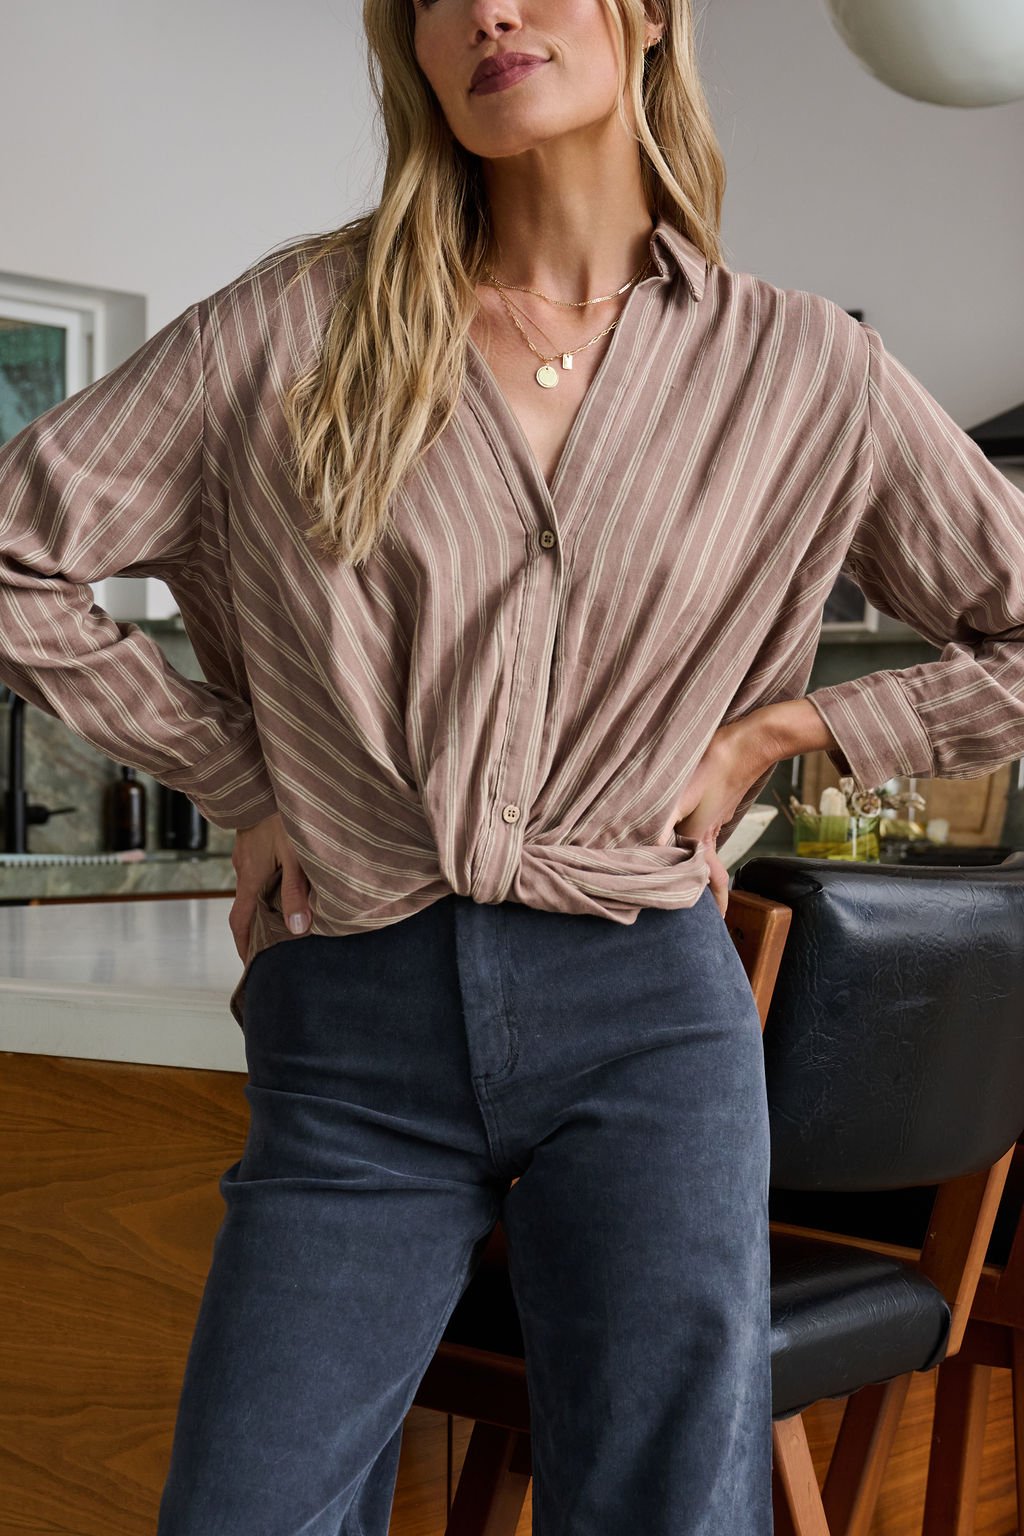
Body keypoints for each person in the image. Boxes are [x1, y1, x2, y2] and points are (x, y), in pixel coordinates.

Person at [2, 2, 1023, 1532]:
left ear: (651, 13)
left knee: (670, 1505)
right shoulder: (290, 327)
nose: (482, 10)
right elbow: (17, 553)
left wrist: (777, 735)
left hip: (647, 1009)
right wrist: (240, 779)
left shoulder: (805, 367)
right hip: (357, 1008)